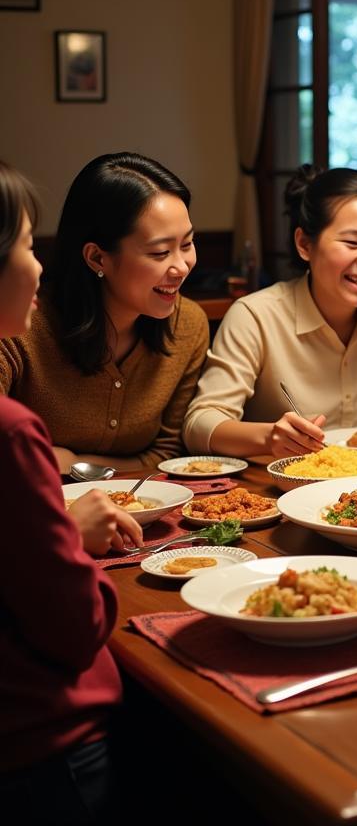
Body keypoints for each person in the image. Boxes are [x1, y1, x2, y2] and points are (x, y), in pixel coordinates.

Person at [0, 161, 142, 822]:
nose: (37, 267)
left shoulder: (185, 328)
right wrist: (72, 543)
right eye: (29, 245)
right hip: (41, 742)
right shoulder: (10, 430)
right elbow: (74, 625)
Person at [184, 166, 357, 458]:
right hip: (278, 490)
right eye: (352, 243)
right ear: (305, 244)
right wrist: (271, 437)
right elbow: (200, 424)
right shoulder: (255, 315)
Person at [0, 153, 208, 472]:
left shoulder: (188, 325)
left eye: (188, 244)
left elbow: (169, 455)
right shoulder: (19, 327)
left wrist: (75, 463)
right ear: (98, 257)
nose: (181, 267)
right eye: (160, 252)